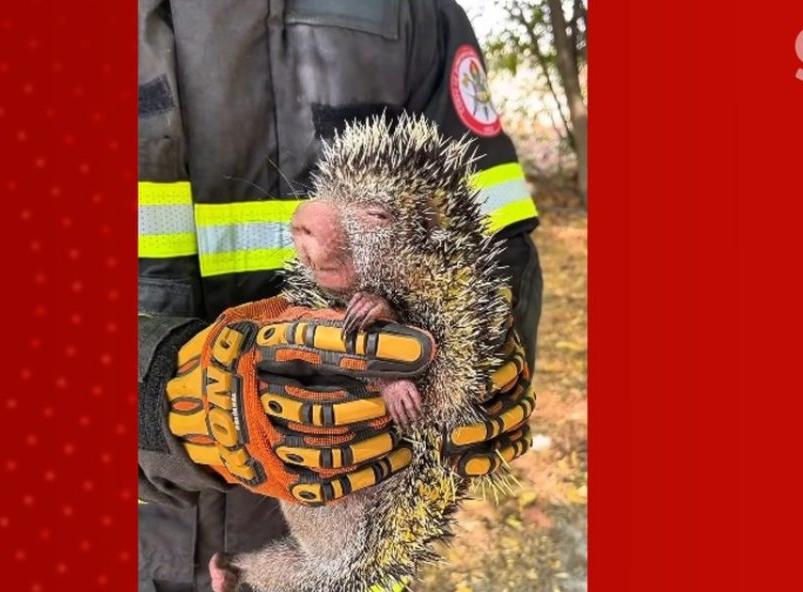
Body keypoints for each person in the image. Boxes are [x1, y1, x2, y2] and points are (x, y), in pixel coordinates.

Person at [137, 1, 543, 591]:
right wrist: (150, 399)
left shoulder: (416, 14)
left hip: (365, 507)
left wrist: (469, 371)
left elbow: (489, 243)